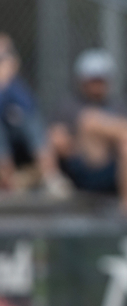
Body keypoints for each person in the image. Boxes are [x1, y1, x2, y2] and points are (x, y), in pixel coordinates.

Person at [49, 49, 127, 219]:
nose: (98, 84)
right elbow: (57, 141)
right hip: (83, 168)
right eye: (93, 79)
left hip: (114, 168)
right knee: (90, 120)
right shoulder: (68, 106)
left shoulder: (120, 105)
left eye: (102, 79)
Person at [0, 34, 71, 197]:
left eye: (7, 55)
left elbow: (29, 106)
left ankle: (51, 176)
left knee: (30, 121)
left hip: (20, 139)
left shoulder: (16, 85)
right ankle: (8, 181)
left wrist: (7, 82)